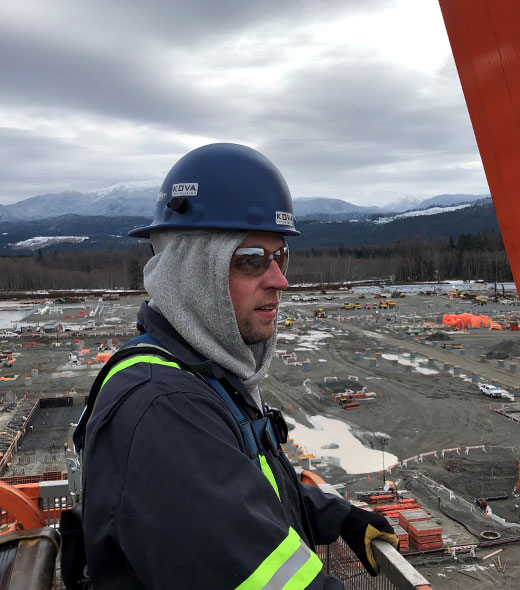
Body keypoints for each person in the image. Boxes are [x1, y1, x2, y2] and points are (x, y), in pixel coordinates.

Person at [79, 143, 398, 589]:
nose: (280, 280)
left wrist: (338, 517)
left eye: (280, 256)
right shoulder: (163, 408)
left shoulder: (207, 374)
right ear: (191, 273)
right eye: (251, 260)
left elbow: (250, 484)